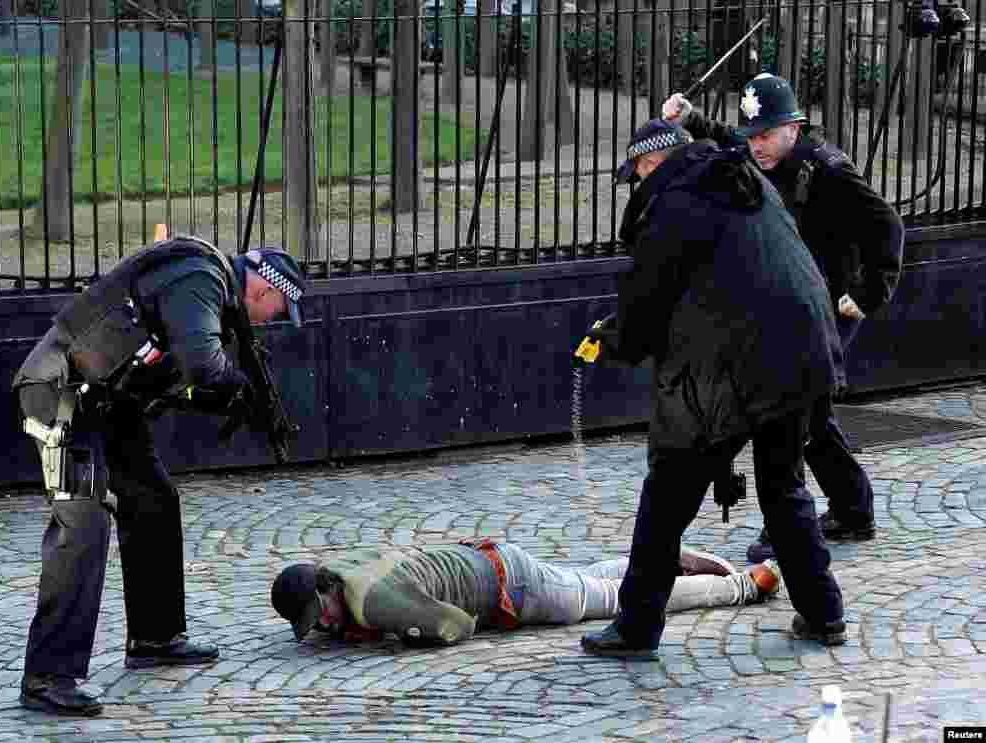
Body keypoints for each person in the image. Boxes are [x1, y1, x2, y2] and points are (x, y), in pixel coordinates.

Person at [578, 120, 848, 658]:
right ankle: (825, 615)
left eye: (636, 174)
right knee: (783, 486)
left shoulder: (673, 207)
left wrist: (609, 341)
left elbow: (643, 316)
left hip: (733, 369)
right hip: (805, 352)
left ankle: (635, 629)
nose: (636, 185)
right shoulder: (744, 178)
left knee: (666, 498)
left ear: (652, 164)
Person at [13, 236, 307, 717]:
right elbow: (201, 363)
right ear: (262, 288)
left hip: (106, 402)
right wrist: (236, 386)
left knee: (153, 498)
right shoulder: (201, 278)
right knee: (84, 524)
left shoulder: (209, 291)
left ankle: (155, 636)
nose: (273, 319)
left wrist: (226, 397)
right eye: (278, 309)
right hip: (60, 393)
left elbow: (180, 379)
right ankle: (47, 677)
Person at [662, 74, 905, 562]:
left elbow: (887, 224)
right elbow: (731, 138)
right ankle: (852, 509)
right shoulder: (761, 150)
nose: (756, 146)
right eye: (752, 136)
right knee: (807, 412)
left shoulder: (828, 168)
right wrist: (689, 119)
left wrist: (869, 292)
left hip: (832, 304)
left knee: (788, 407)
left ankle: (790, 522)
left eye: (766, 135)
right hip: (791, 305)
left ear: (793, 126)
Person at [270, 540, 782, 645]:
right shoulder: (342, 570)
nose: (326, 626)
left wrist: (386, 634)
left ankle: (741, 586)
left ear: (325, 588)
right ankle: (671, 554)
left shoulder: (372, 602)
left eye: (323, 615)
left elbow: (453, 626)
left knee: (620, 598)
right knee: (590, 579)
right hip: (491, 557)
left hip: (513, 588)